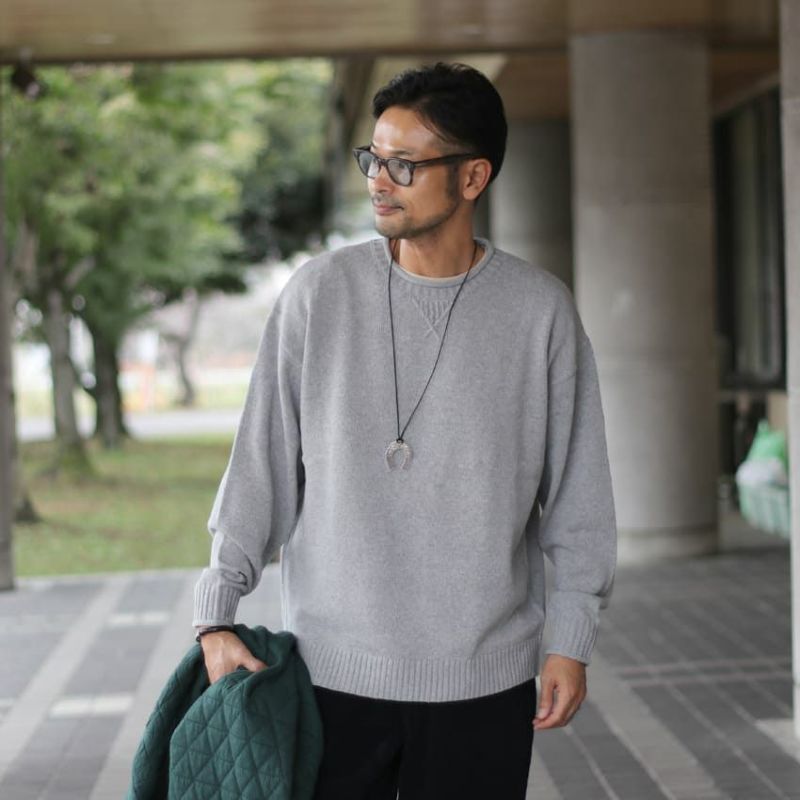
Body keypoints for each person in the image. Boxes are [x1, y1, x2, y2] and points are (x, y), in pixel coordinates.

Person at [193, 62, 617, 800]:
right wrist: (215, 616)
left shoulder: (539, 311)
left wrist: (571, 639)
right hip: (331, 676)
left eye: (405, 165)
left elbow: (580, 495)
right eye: (374, 158)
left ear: (473, 177)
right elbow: (261, 465)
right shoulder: (319, 295)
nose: (379, 182)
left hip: (484, 682)